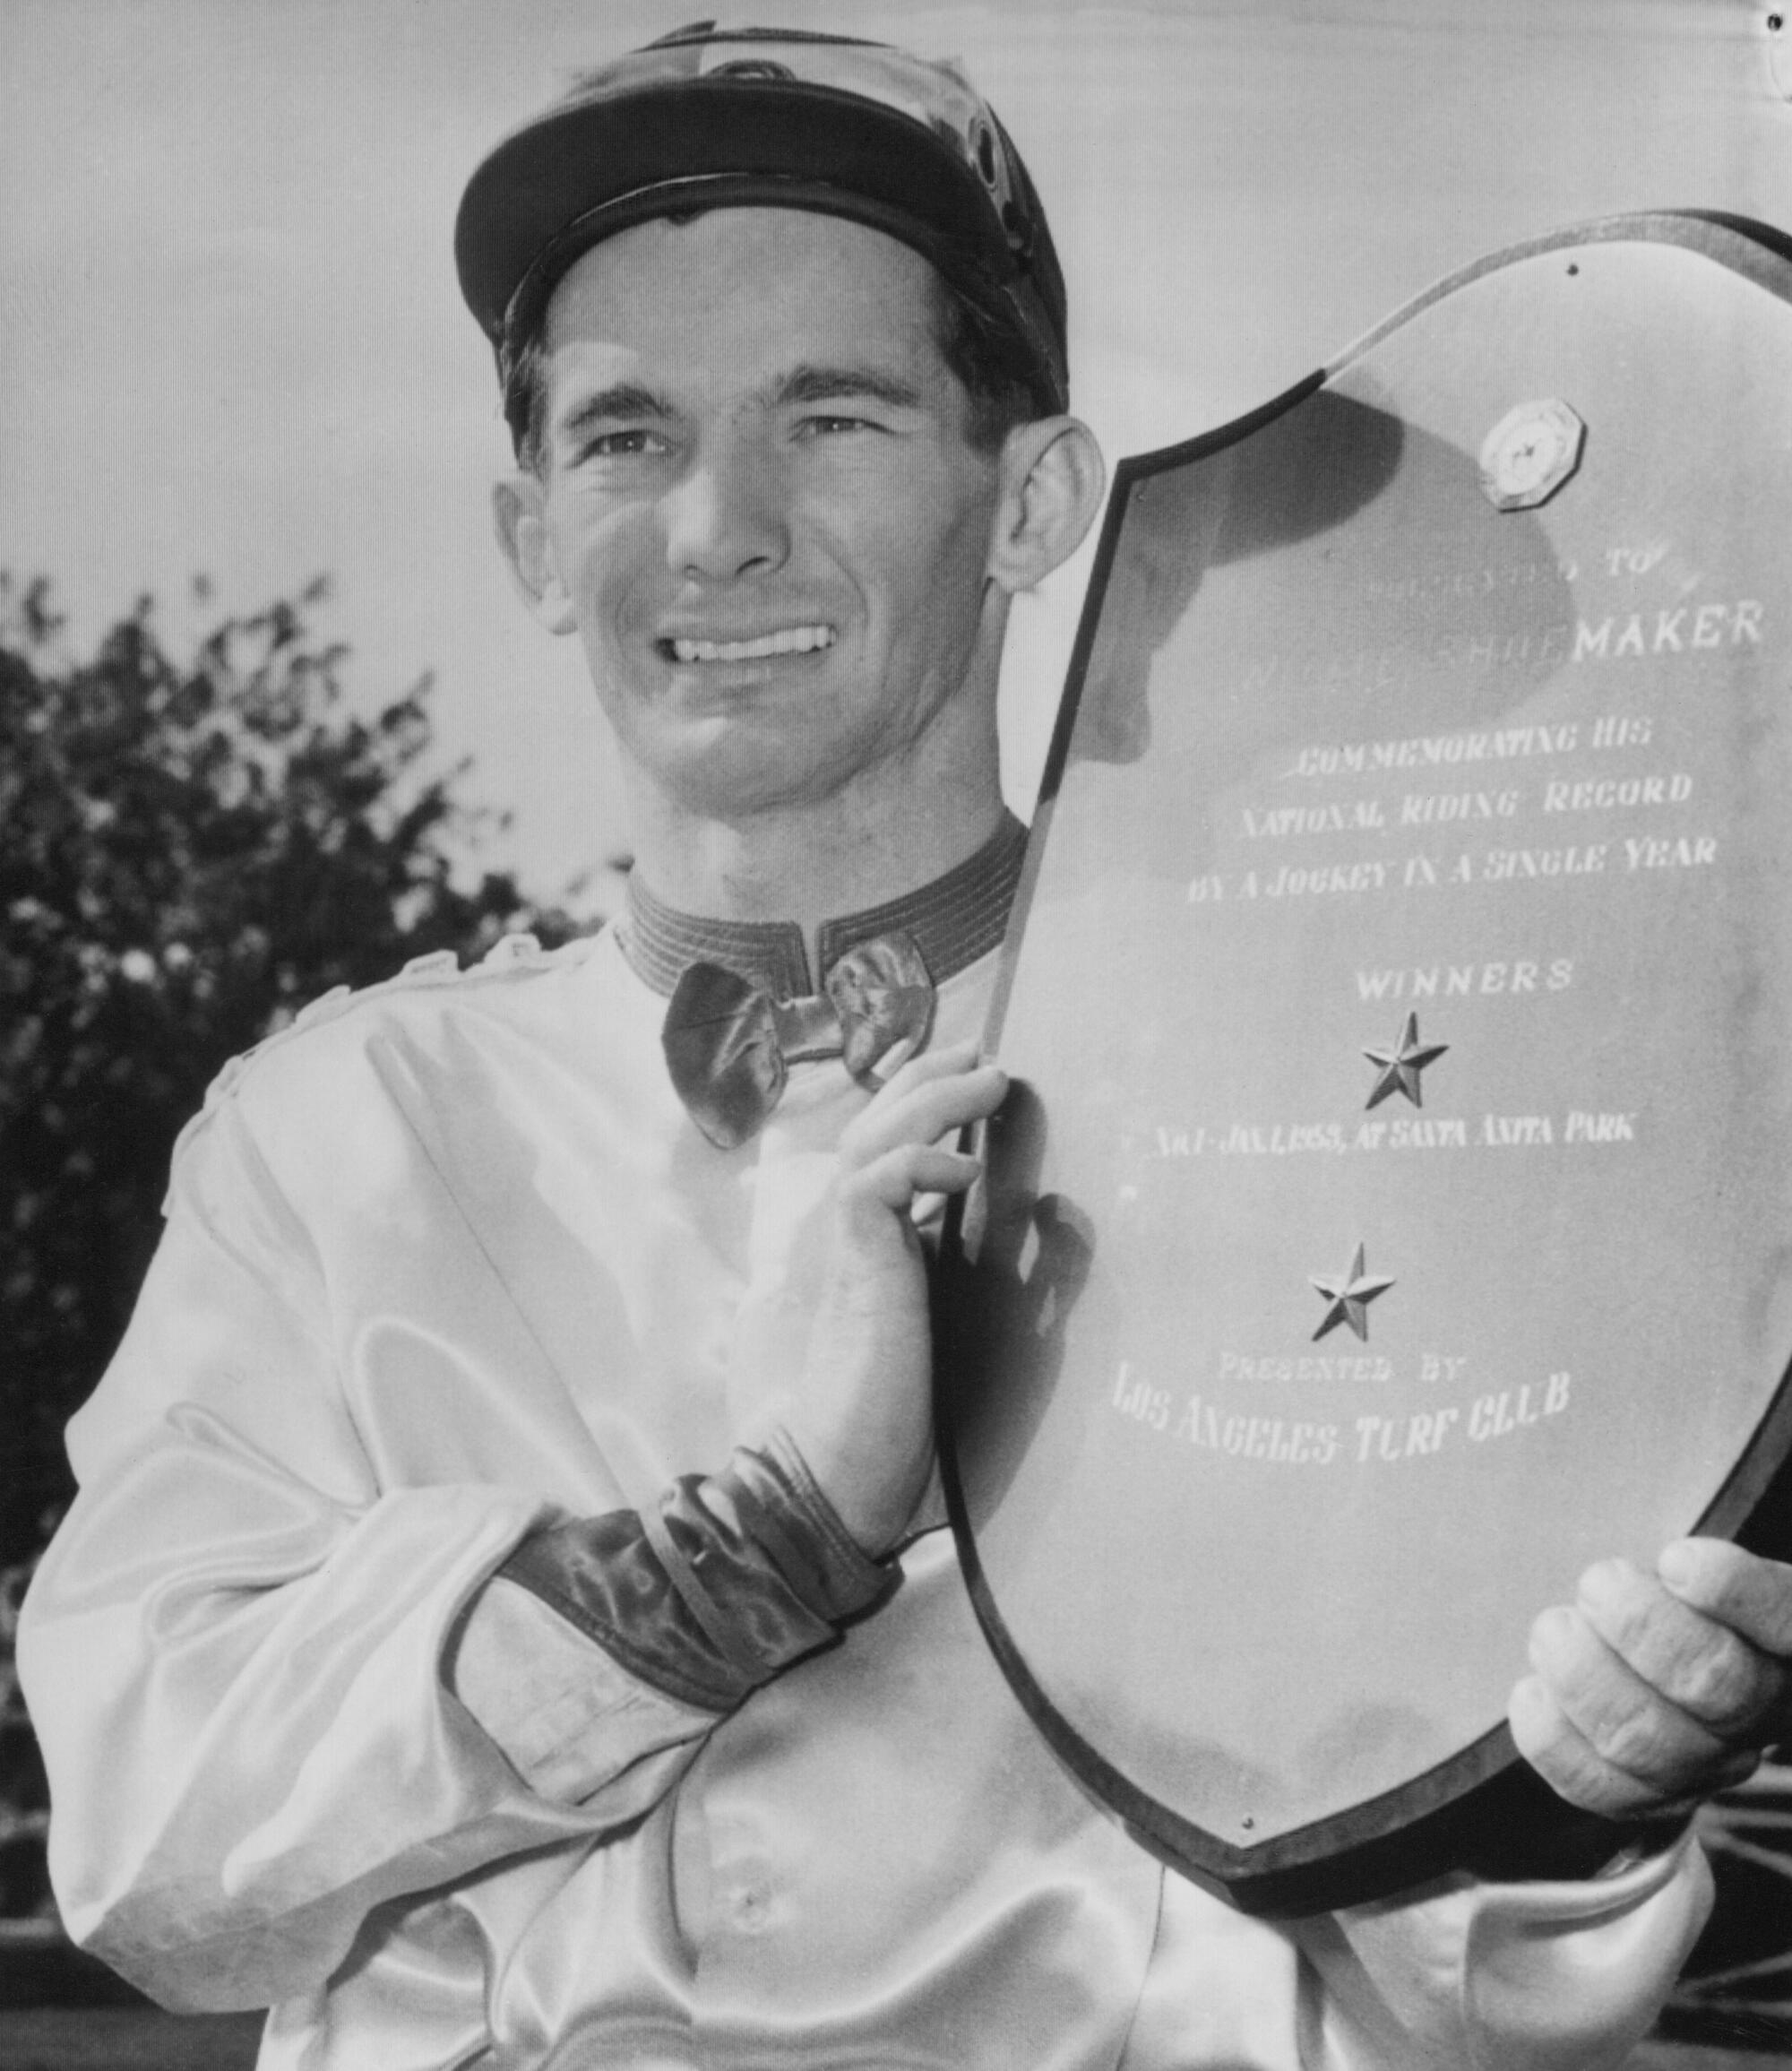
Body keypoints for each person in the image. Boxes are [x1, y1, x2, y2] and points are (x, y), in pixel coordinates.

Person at [18, 23, 1792, 2069]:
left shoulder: (1338, 1077)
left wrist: (1571, 1779)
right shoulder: (328, 1137)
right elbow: (153, 1854)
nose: (717, 526)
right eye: (622, 437)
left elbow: (1447, 1978)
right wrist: (755, 1537)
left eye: (833, 417)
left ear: (1030, 499)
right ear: (526, 539)